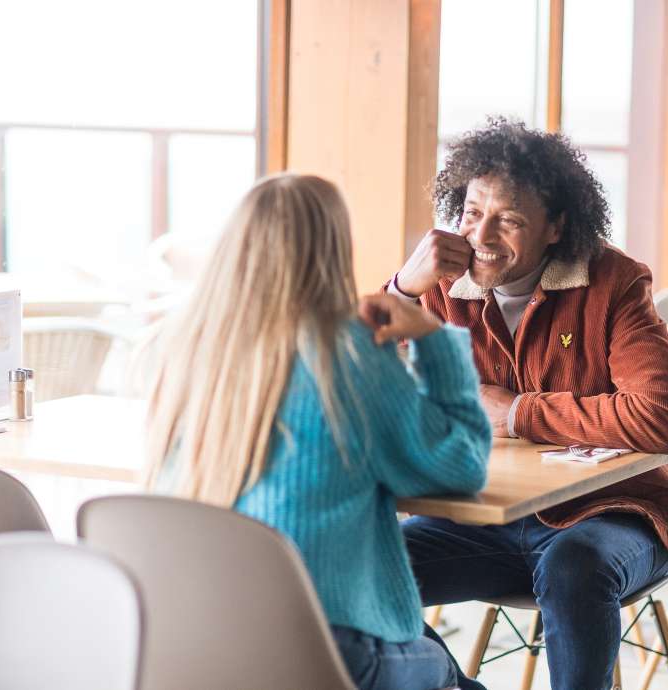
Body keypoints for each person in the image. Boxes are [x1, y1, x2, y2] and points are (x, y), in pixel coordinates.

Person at [145, 173, 493, 690]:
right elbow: (462, 465)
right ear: (333, 251)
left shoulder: (183, 350)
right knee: (447, 674)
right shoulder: (347, 357)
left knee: (424, 647)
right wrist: (433, 338)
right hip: (324, 650)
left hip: (197, 641)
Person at [388, 118, 668, 690]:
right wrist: (403, 289)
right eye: (472, 212)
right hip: (484, 516)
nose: (481, 235)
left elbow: (667, 418)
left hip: (614, 514)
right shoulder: (437, 285)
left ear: (556, 227)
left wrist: (518, 413)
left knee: (572, 567)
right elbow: (366, 382)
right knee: (365, 565)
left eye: (508, 219)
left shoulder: (612, 281)